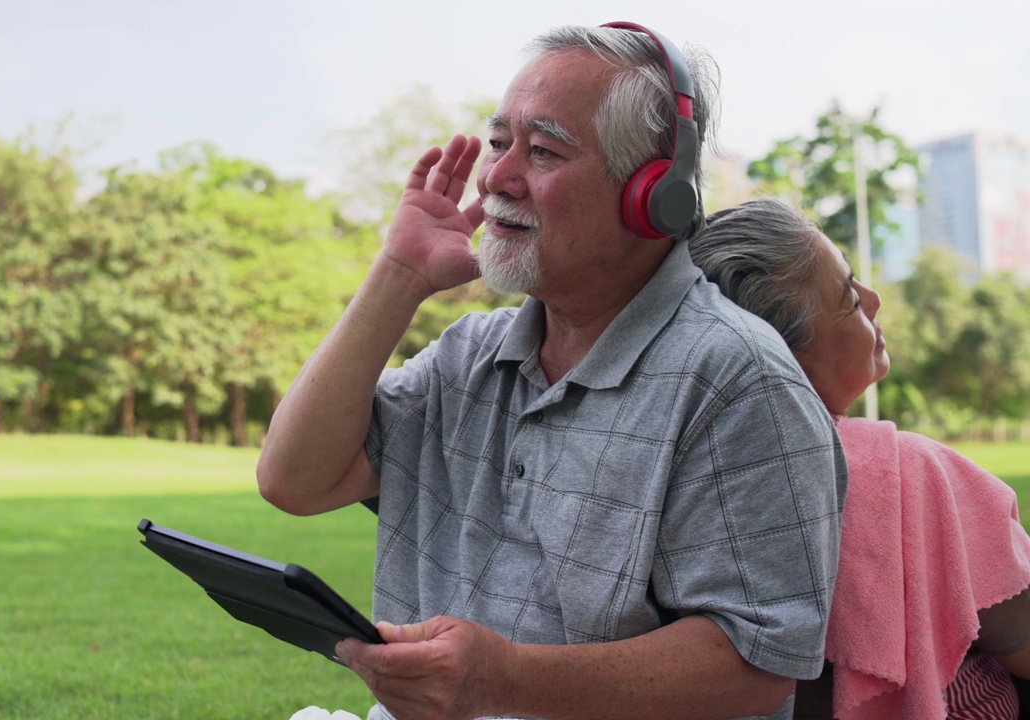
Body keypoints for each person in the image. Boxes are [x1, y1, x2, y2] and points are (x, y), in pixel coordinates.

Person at [258, 24, 846, 720]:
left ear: (653, 193)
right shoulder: (468, 356)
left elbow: (758, 665)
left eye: (541, 150)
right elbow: (295, 479)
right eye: (499, 142)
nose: (496, 177)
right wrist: (399, 274)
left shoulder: (737, 379)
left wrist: (505, 679)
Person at [688, 197, 1030, 719]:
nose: (874, 300)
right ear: (781, 354)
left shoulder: (691, 480)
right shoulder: (909, 474)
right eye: (848, 297)